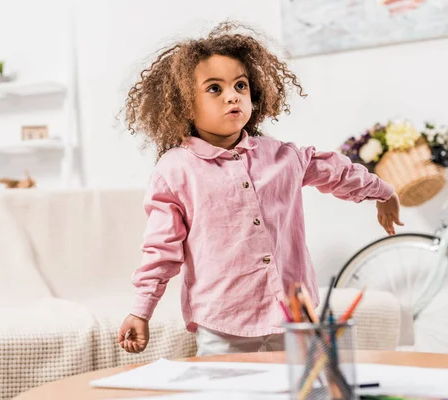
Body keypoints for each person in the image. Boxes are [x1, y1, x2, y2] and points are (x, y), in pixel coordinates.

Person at [118, 22, 403, 356]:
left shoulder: (282, 156)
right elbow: (161, 249)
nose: (232, 95)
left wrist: (382, 191)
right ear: (184, 104)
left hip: (295, 316)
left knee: (304, 389)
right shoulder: (176, 170)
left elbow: (335, 171)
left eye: (240, 85)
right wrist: (141, 309)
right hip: (224, 321)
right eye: (214, 88)